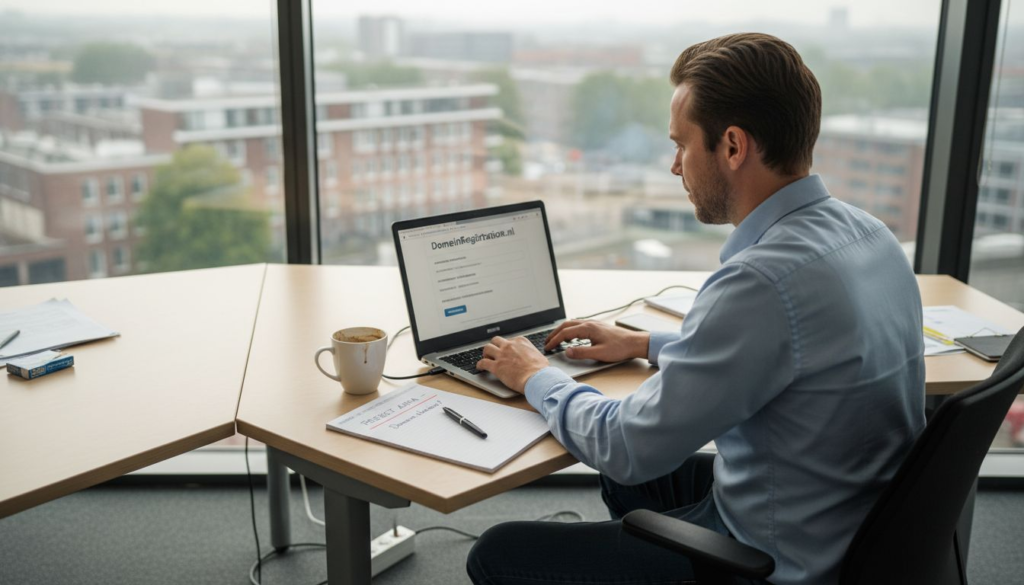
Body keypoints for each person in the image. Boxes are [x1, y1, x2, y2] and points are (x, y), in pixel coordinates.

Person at [469, 32, 925, 585]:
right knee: (633, 487)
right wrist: (644, 344)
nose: (674, 166)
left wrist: (535, 375)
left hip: (778, 559)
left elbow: (625, 445)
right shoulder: (869, 235)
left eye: (681, 145)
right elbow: (792, 350)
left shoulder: (760, 281)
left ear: (732, 146)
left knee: (498, 552)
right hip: (852, 521)